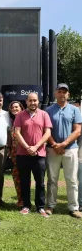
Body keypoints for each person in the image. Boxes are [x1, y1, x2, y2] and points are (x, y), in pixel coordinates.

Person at [46, 83, 82, 218]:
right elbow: (46, 130)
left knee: (71, 179)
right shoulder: (49, 110)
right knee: (52, 178)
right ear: (56, 94)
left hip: (71, 149)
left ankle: (74, 207)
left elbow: (78, 130)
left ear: (68, 95)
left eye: (64, 92)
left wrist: (64, 144)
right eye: (59, 91)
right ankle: (51, 205)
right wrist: (55, 144)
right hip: (53, 149)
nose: (62, 94)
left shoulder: (74, 110)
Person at [14, 92, 52, 217]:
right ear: (26, 101)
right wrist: (27, 147)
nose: (33, 103)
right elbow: (17, 133)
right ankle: (26, 205)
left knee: (40, 182)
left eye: (35, 100)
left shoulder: (44, 114)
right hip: (23, 154)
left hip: (39, 154)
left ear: (38, 101)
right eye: (30, 100)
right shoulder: (20, 115)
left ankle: (40, 206)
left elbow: (47, 133)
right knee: (24, 181)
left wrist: (35, 147)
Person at [8, 101, 25, 208]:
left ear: (21, 108)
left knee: (24, 177)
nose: (14, 109)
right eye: (12, 107)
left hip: (24, 153)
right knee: (16, 176)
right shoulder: (12, 121)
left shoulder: (26, 119)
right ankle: (20, 200)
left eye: (16, 107)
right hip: (14, 154)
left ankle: (26, 200)